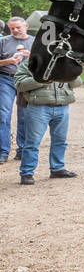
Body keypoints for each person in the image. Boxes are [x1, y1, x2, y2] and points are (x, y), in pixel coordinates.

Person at [14, 53, 78, 184]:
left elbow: (77, 82)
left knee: (60, 141)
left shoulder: (65, 62)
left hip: (62, 105)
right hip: (38, 107)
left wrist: (67, 72)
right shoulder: (31, 62)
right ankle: (27, 173)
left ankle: (58, 169)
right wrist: (45, 79)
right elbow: (19, 84)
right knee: (32, 142)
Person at [1, 16, 34, 164]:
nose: (14, 30)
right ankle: (3, 151)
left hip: (26, 81)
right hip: (6, 79)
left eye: (18, 27)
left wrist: (31, 56)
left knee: (25, 116)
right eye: (12, 28)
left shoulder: (34, 41)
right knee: (3, 115)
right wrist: (9, 61)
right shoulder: (3, 41)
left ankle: (22, 150)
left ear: (26, 26)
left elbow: (43, 62)